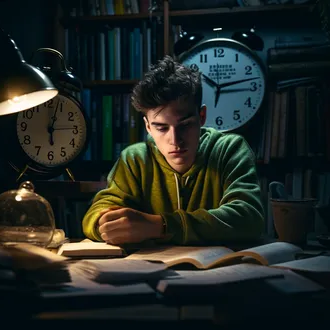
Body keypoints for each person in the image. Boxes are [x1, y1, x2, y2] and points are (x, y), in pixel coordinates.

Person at [82, 55, 264, 246]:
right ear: (148, 127)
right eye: (161, 128)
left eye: (185, 125)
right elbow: (95, 213)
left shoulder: (230, 150)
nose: (175, 140)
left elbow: (249, 218)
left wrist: (159, 226)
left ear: (201, 116)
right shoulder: (135, 159)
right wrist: (103, 222)